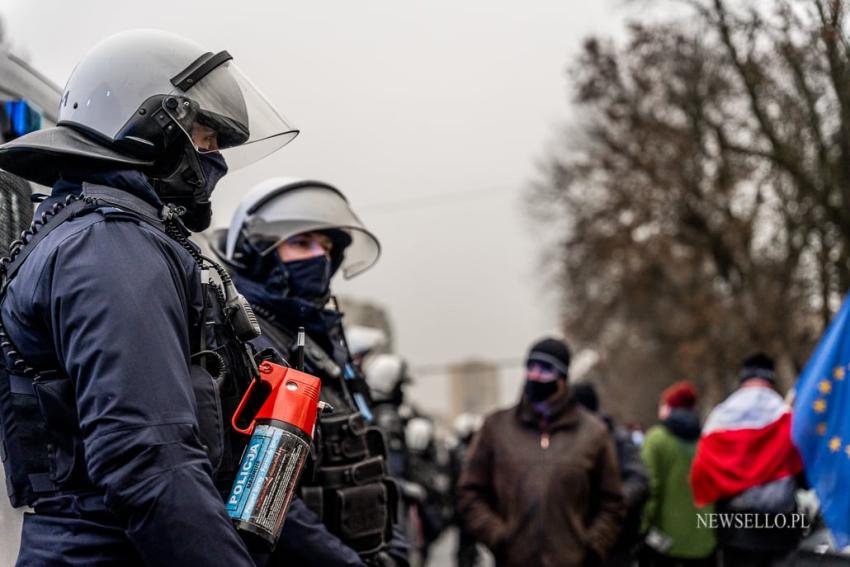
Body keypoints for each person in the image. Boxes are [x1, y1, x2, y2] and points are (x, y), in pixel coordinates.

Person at [0, 29, 298, 565]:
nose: (214, 162)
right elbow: (151, 459)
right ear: (148, 125)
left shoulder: (108, 234)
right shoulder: (110, 244)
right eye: (204, 139)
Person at [212, 177, 408, 566]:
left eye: (327, 246)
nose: (319, 256)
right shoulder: (249, 342)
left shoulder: (326, 347)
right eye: (302, 243)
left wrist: (393, 548)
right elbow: (263, 492)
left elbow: (371, 457)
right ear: (258, 252)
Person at [458, 337, 624, 567]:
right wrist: (497, 535)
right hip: (513, 560)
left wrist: (591, 546)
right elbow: (470, 493)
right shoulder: (496, 428)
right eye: (531, 367)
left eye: (546, 369)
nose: (535, 376)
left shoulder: (593, 434)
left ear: (562, 378)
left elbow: (612, 502)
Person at [690, 354, 804, 567]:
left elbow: (703, 469)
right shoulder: (787, 415)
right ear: (771, 378)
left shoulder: (720, 416)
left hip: (736, 527)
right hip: (781, 526)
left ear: (742, 378)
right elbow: (801, 468)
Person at [572, 381, 650, 567]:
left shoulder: (617, 439)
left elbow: (639, 480)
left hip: (615, 541)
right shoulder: (567, 441)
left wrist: (611, 504)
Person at [639, 381, 716, 567]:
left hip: (664, 544)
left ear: (668, 407)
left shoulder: (656, 439)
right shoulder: (708, 441)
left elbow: (649, 490)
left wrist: (642, 529)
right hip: (704, 543)